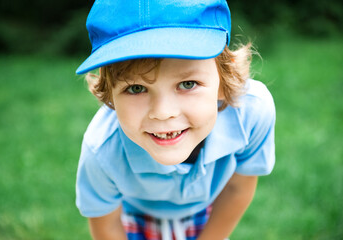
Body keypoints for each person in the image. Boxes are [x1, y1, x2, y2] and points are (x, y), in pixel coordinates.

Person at [75, 0, 275, 239]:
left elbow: (237, 188)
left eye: (187, 84)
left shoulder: (252, 112)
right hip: (135, 214)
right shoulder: (102, 149)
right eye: (137, 88)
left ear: (225, 79)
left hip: (209, 209)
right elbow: (106, 223)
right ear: (109, 96)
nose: (162, 112)